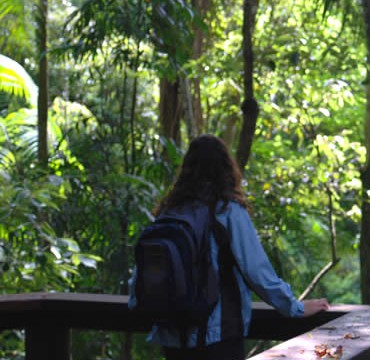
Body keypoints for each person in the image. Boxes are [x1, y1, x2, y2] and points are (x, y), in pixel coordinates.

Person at [129, 134, 330, 359]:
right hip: (217, 335)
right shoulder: (227, 211)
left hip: (172, 335)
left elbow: (143, 273)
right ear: (226, 169)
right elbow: (257, 271)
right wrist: (295, 307)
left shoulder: (170, 211)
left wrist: (137, 304)